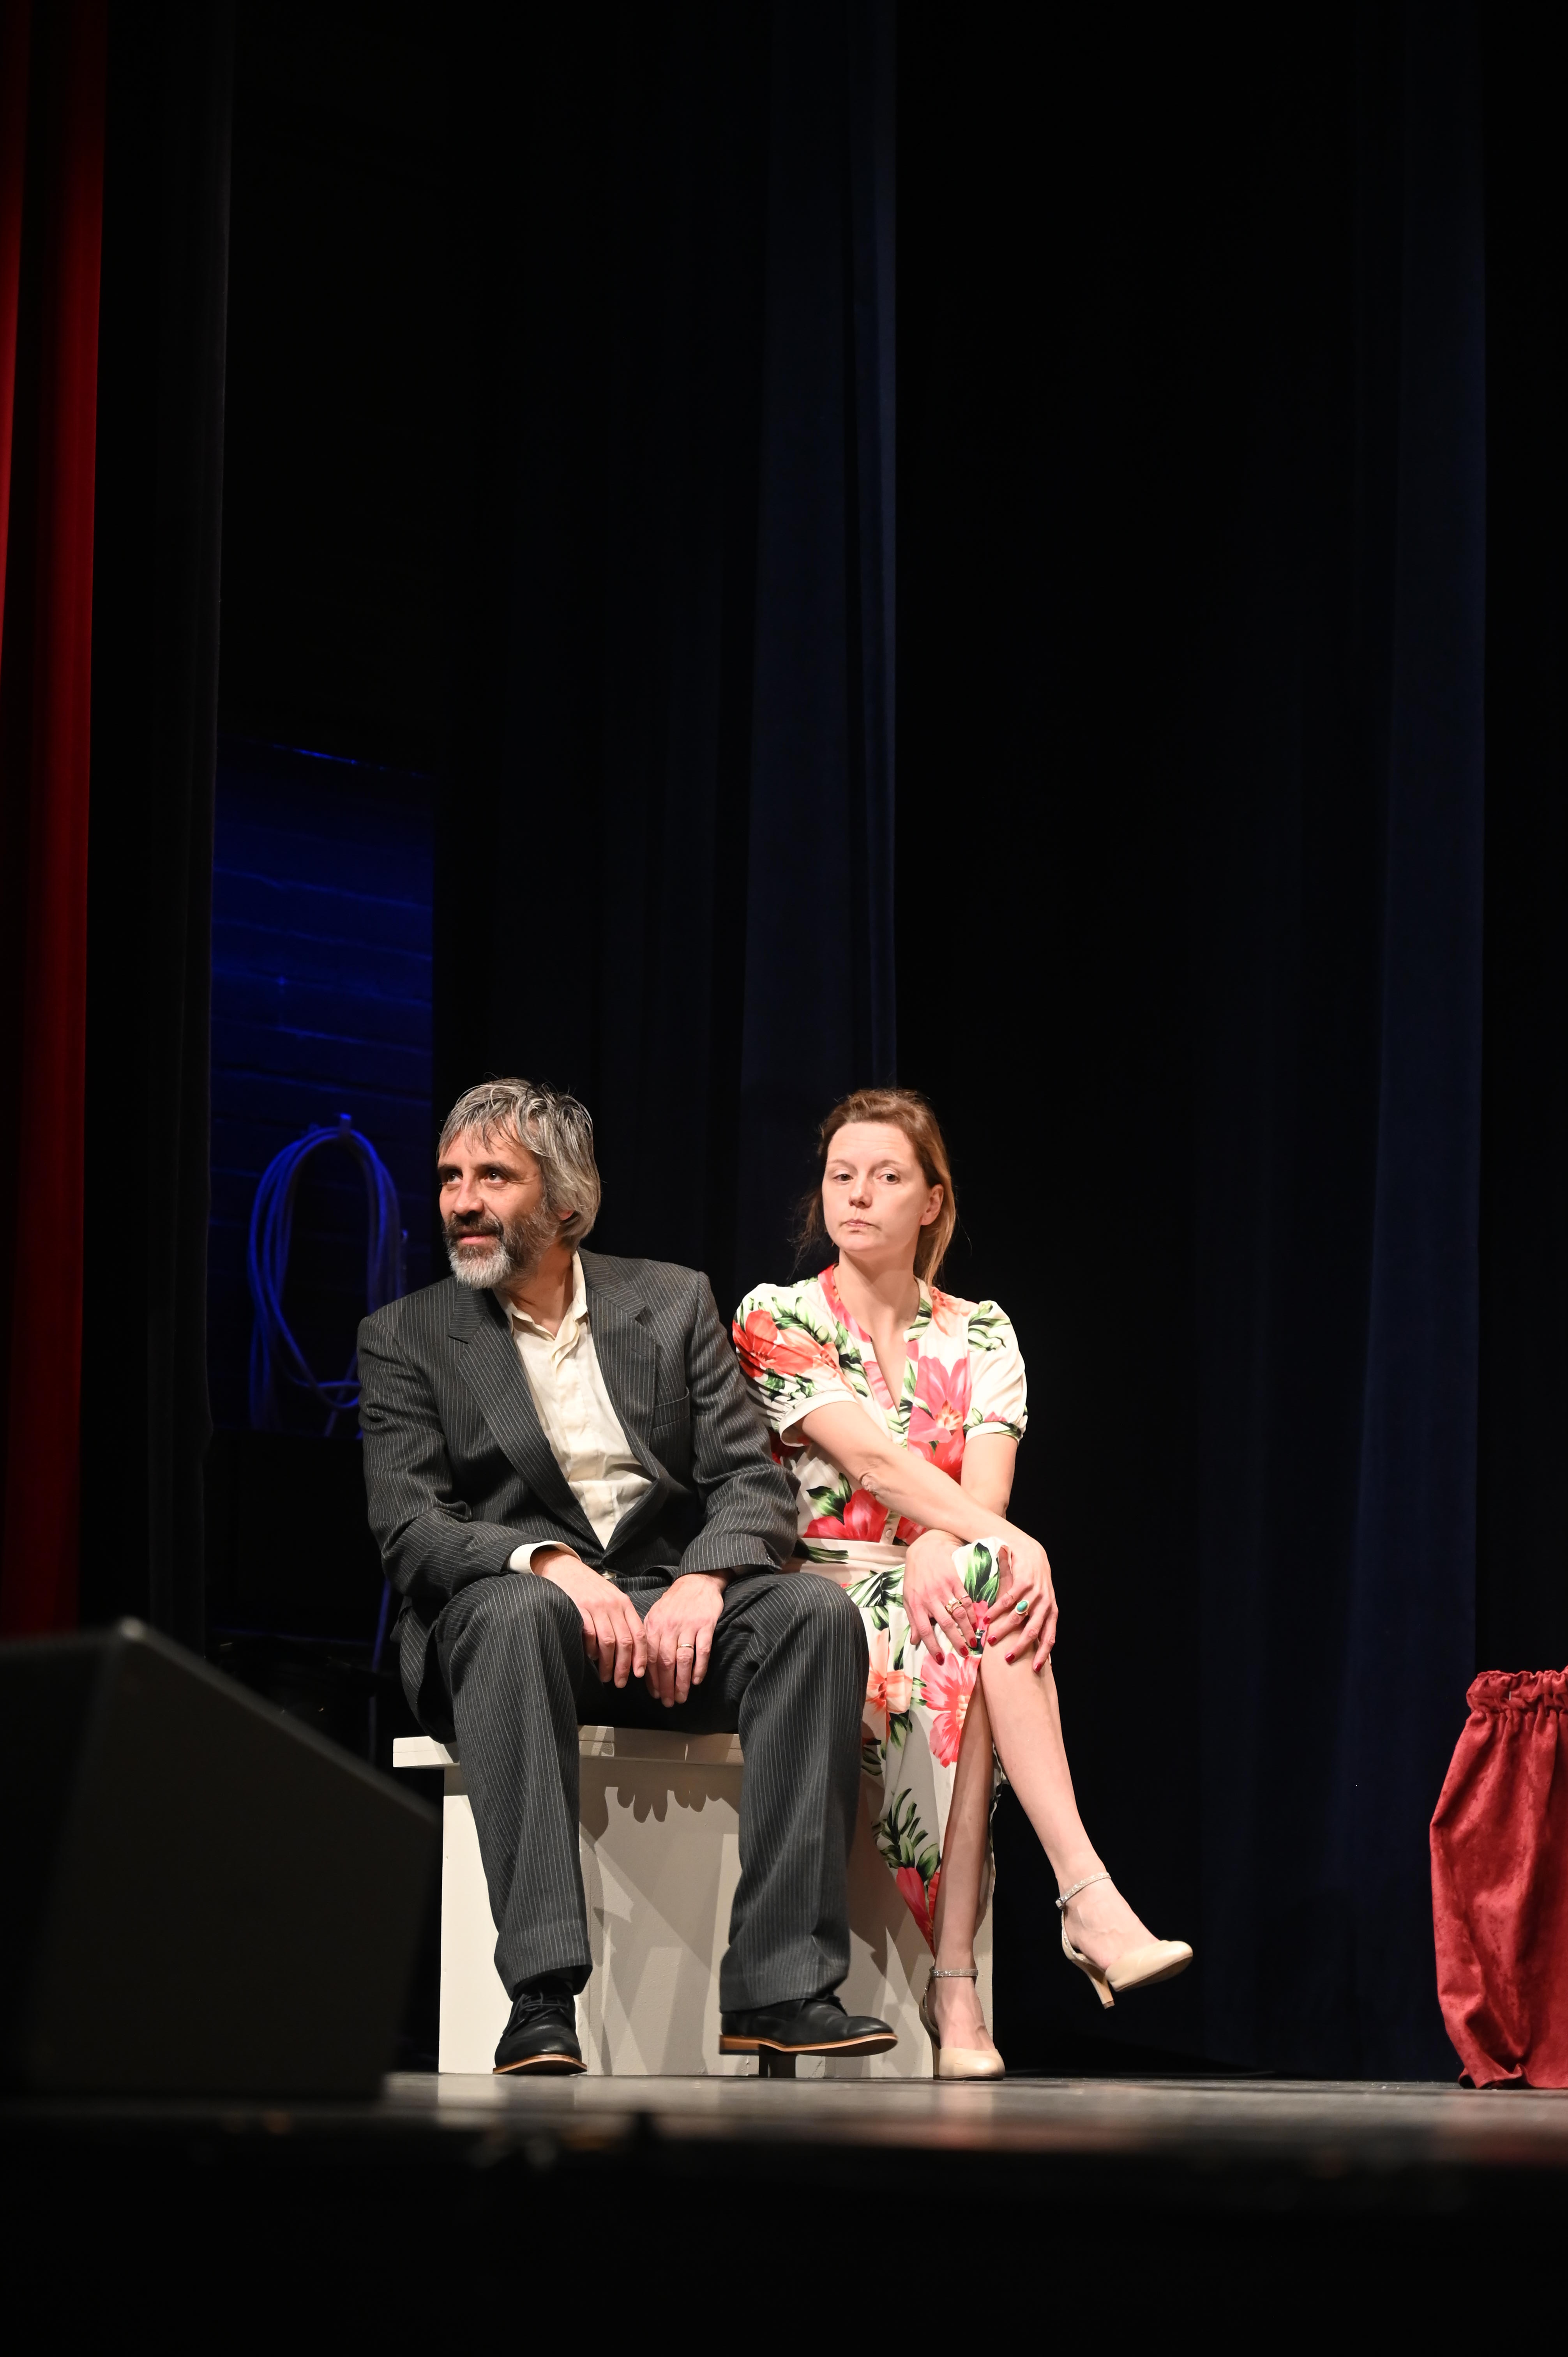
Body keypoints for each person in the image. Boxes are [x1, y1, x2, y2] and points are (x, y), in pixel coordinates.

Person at [359, 1077, 895, 2075]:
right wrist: (550, 1564)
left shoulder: (670, 1300)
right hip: (513, 1626)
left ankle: (780, 1988)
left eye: (493, 1177)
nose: (461, 1200)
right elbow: (412, 1529)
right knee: (516, 1612)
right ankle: (540, 1999)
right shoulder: (408, 1336)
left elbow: (750, 1482)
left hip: (662, 1615)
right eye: (449, 1178)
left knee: (811, 1616)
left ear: (565, 1202)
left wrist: (705, 1580)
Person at [734, 1087, 1191, 2080]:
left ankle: (1011, 1949)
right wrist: (994, 1543)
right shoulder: (775, 1315)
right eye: (841, 1176)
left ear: (932, 1200)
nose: (858, 1195)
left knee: (981, 1588)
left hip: (943, 1585)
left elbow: (981, 1497)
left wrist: (948, 1544)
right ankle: (1045, 1926)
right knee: (996, 1576)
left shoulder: (980, 1332)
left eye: (886, 1176)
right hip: (819, 1602)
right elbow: (871, 1465)